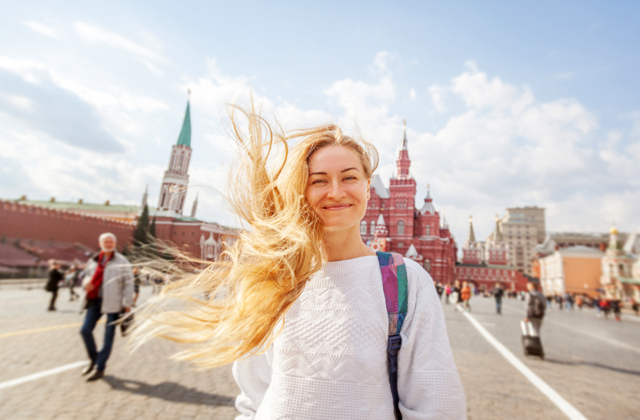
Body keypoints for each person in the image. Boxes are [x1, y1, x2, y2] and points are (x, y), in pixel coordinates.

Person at [134, 112, 467, 418]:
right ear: (301, 191)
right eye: (318, 180)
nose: (335, 191)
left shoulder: (405, 281)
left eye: (349, 177)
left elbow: (437, 408)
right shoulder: (275, 276)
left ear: (369, 187)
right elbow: (253, 398)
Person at [80, 233, 134, 381]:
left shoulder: (122, 261)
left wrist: (127, 303)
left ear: (115, 243)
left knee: (108, 336)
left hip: (114, 303)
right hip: (94, 300)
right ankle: (94, 359)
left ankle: (100, 367)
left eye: (111, 242)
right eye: (106, 241)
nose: (108, 244)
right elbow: (86, 275)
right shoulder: (94, 259)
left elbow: (129, 283)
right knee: (85, 330)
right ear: (100, 243)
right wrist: (86, 283)